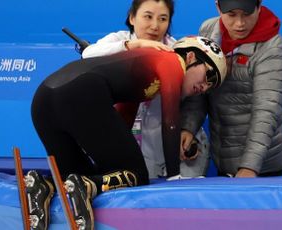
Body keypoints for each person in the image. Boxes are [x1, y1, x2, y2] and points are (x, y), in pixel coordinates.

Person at [27, 36, 227, 230]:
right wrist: (175, 177)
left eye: (211, 86)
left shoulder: (142, 72)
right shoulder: (172, 62)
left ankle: (43, 186)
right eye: (208, 76)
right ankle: (83, 186)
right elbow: (170, 120)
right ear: (190, 57)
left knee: (78, 176)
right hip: (79, 94)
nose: (204, 87)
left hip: (43, 98)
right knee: (137, 174)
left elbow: (123, 119)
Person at [82, 0, 211, 179]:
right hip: (128, 140)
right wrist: (137, 45)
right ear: (132, 17)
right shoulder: (119, 41)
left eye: (163, 19)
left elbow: (195, 98)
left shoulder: (176, 50)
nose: (154, 26)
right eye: (148, 17)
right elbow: (88, 54)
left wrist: (188, 129)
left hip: (170, 146)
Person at [180, 0, 282, 178]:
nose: (239, 23)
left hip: (262, 167)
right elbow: (199, 91)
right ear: (218, 7)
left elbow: (266, 113)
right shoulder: (208, 31)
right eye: (231, 15)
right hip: (223, 160)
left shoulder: (273, 49)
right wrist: (188, 128)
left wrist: (250, 167)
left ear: (259, 6)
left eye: (247, 14)